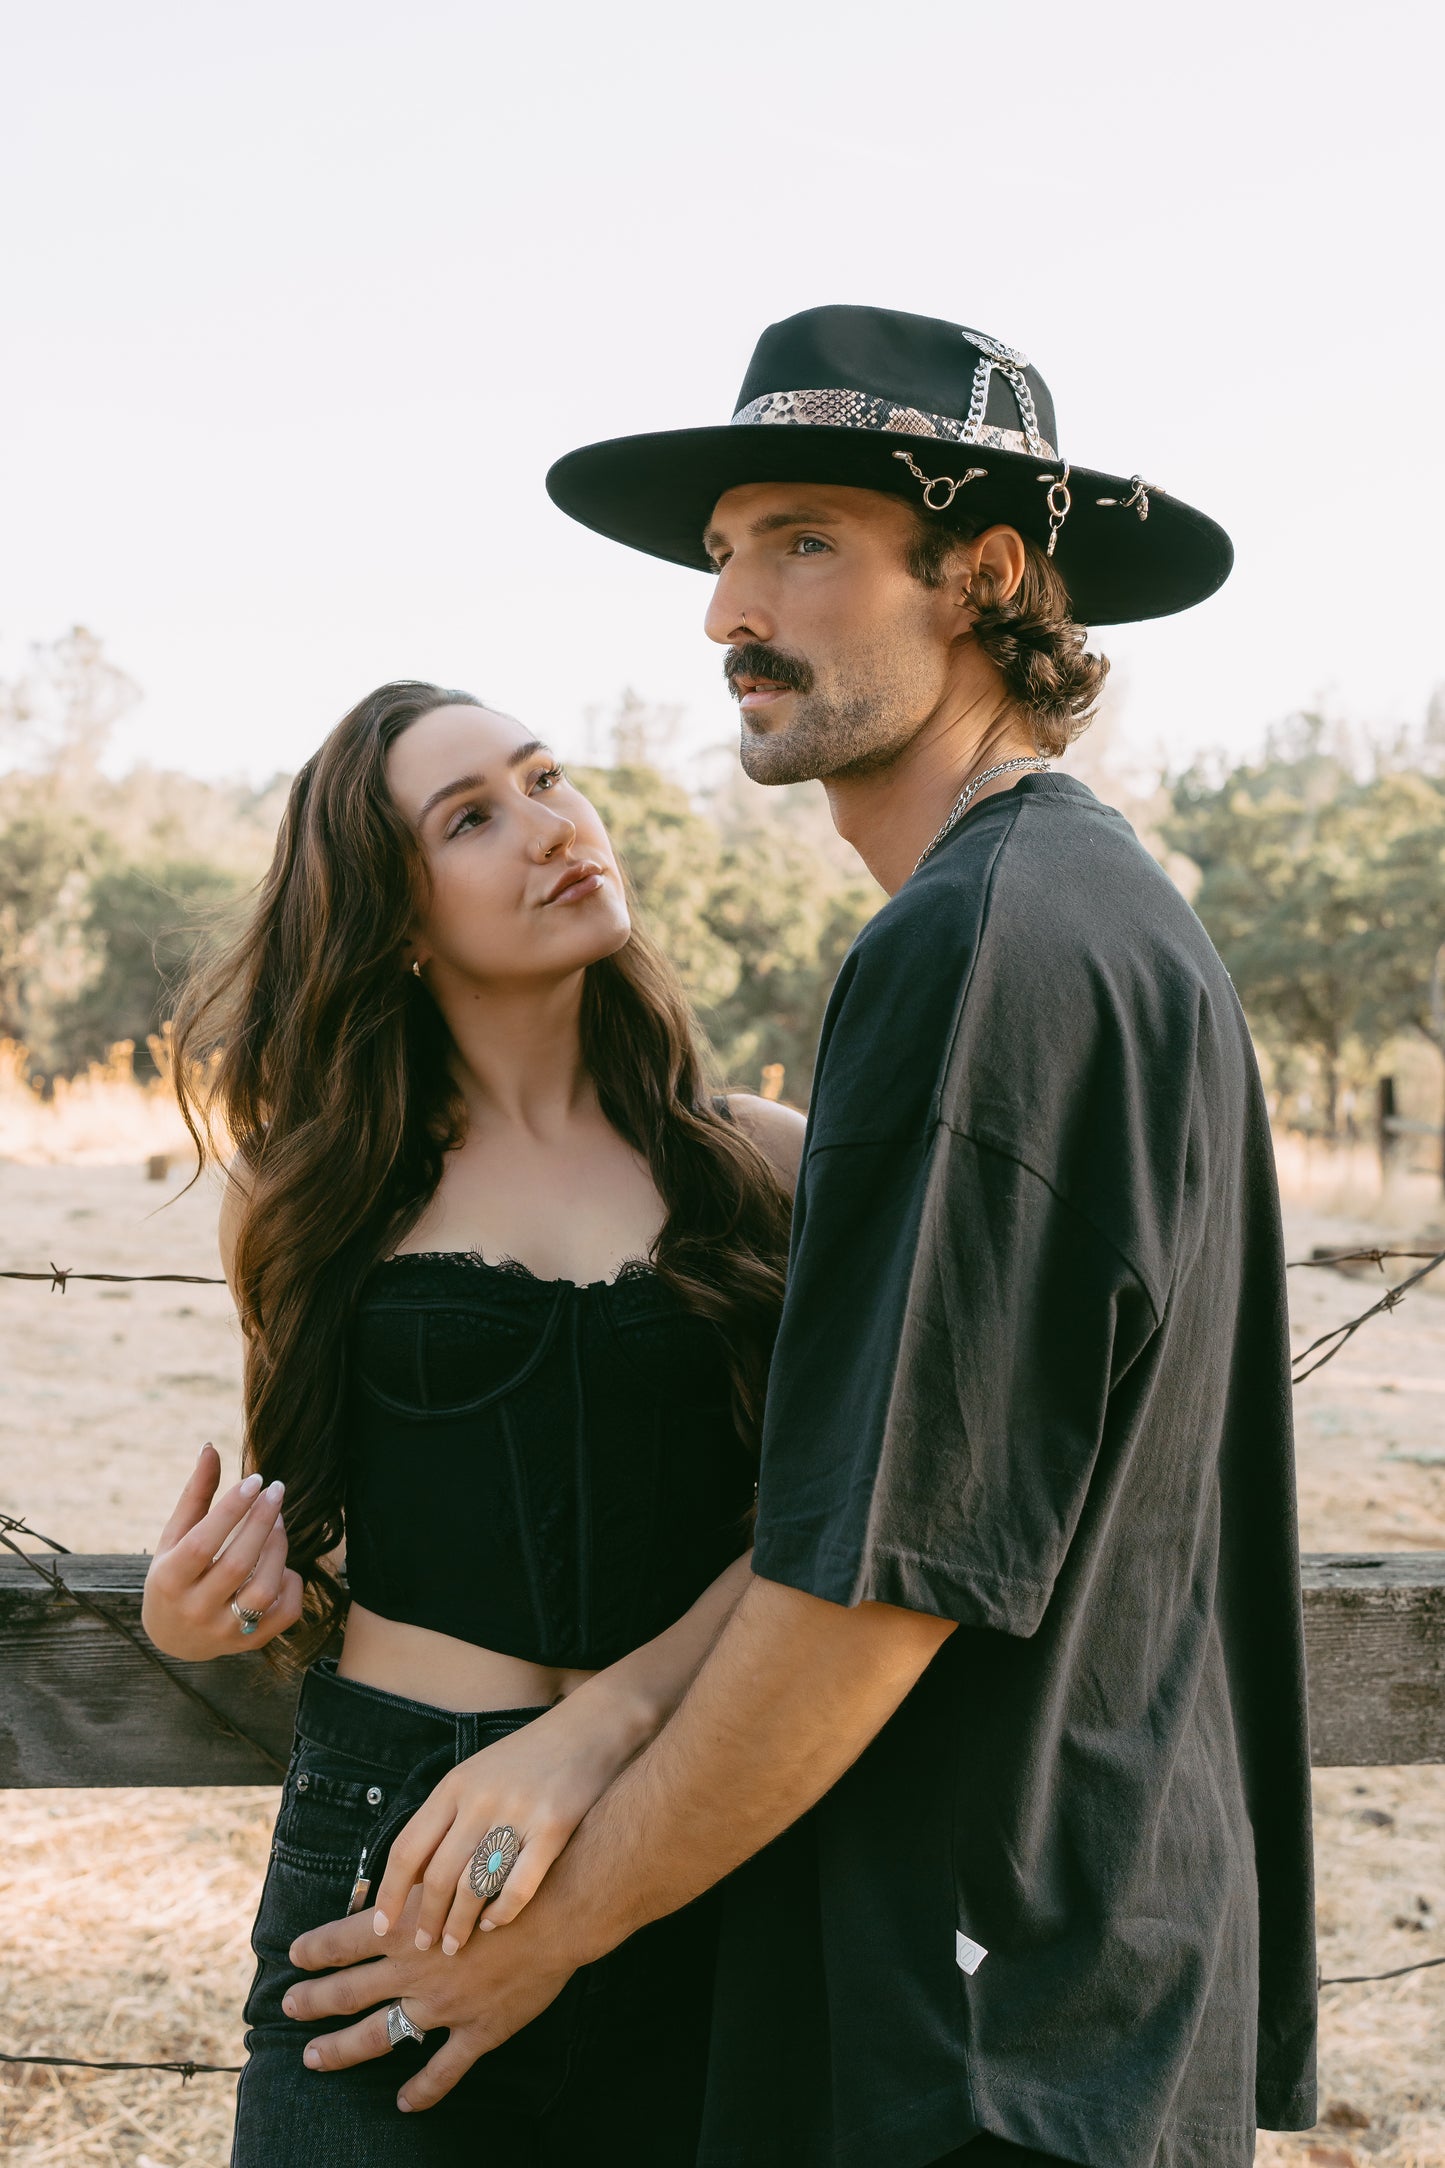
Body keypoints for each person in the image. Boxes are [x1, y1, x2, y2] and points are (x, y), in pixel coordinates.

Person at [283, 308, 1319, 2168]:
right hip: (1054, 1982)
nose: (726, 613)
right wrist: (601, 1726)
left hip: (978, 2026)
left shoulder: (986, 950)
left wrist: (554, 1934)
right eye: (721, 554)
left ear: (984, 577)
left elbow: (876, 1582)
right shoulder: (1096, 916)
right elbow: (876, 1500)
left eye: (805, 542)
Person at [139, 677, 804, 2166]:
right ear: (393, 916)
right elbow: (306, 1534)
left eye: (547, 777)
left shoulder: (761, 1163)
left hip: (694, 1817)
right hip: (397, 1841)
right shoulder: (311, 1190)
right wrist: (200, 1615)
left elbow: (842, 1516)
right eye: (473, 817)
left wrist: (605, 1722)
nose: (553, 827)